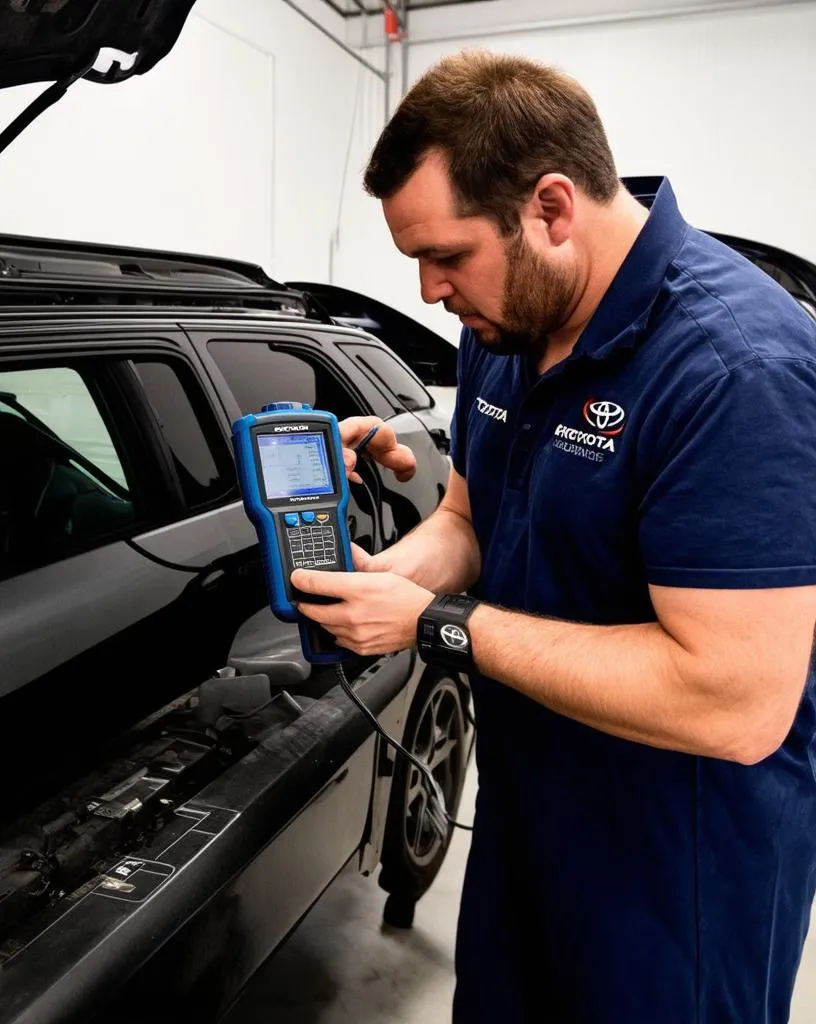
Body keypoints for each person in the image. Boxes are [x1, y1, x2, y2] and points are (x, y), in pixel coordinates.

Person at [290, 49, 816, 1023]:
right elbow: (466, 522)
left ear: (551, 208)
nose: (428, 290)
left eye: (445, 256)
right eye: (414, 259)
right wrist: (377, 581)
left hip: (678, 867)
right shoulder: (504, 329)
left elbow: (735, 701)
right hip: (528, 810)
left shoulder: (734, 370)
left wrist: (433, 622)